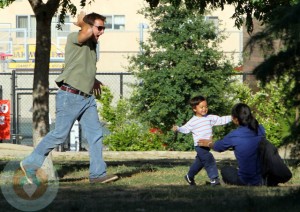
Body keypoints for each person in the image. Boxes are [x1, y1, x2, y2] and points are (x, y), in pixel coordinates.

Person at [20, 11, 118, 184]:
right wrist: (82, 24)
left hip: (86, 98)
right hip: (70, 96)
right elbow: (85, 33)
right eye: (99, 28)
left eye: (104, 28)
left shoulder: (93, 47)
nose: (102, 31)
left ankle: (97, 175)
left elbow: (81, 66)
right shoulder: (75, 38)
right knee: (59, 135)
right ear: (88, 26)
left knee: (96, 135)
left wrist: (93, 80)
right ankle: (30, 164)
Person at [198, 103, 265, 186]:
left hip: (245, 180)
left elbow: (219, 147)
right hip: (261, 178)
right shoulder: (260, 129)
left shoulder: (235, 135)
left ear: (236, 119)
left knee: (225, 169)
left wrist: (208, 143)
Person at [172, 95, 232, 186]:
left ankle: (189, 176)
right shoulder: (193, 121)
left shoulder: (210, 118)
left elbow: (221, 119)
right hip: (199, 146)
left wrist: (233, 117)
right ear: (194, 109)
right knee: (209, 159)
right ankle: (214, 179)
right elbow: (185, 129)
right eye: (201, 107)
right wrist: (178, 128)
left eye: (206, 107)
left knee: (199, 163)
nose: (204, 109)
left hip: (207, 145)